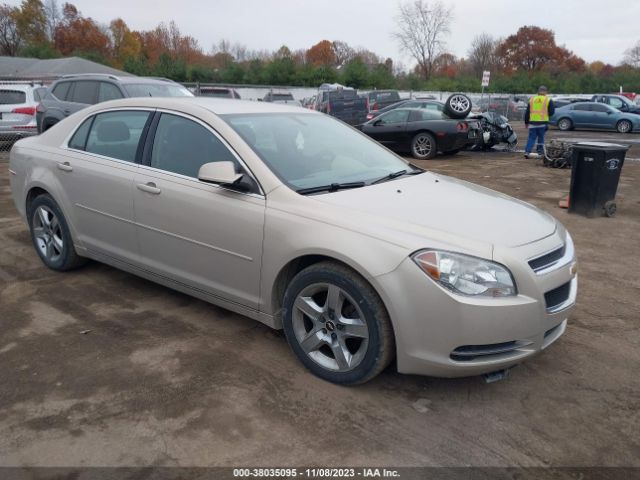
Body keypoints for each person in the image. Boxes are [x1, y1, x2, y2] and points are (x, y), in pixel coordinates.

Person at [524, 86, 555, 158]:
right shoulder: (548, 100)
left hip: (532, 123)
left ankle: (527, 152)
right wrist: (546, 114)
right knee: (541, 138)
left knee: (531, 138)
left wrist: (526, 122)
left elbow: (527, 112)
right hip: (542, 123)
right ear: (546, 92)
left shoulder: (532, 99)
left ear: (538, 91)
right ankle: (540, 152)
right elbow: (551, 112)